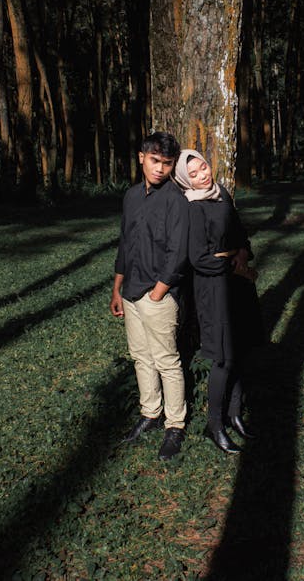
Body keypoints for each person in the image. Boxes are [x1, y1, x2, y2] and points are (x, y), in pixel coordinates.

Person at [110, 132, 189, 461]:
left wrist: (159, 291)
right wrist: (117, 288)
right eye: (154, 160)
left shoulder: (175, 200)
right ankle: (150, 414)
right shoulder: (130, 197)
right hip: (130, 290)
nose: (159, 168)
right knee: (141, 357)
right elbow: (125, 244)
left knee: (166, 361)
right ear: (141, 157)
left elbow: (178, 252)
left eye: (166, 163)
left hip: (158, 294)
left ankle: (175, 425)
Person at [175, 149, 256, 454]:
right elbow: (198, 258)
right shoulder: (193, 208)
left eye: (203, 167)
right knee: (223, 356)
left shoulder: (220, 193)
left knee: (239, 349)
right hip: (213, 288)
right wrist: (231, 263)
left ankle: (235, 415)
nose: (202, 175)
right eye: (193, 174)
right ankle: (214, 424)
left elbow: (238, 232)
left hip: (236, 282)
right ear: (185, 179)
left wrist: (243, 252)